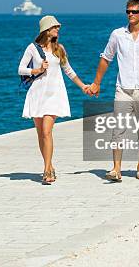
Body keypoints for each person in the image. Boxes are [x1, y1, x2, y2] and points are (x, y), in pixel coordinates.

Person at [87, 0, 139, 182]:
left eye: (134, 11)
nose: (130, 14)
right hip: (123, 89)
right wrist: (96, 83)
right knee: (118, 130)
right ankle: (116, 169)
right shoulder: (117, 34)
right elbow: (106, 58)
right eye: (128, 11)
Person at [18, 15, 90, 185]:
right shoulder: (32, 48)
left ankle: (46, 170)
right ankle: (49, 167)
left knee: (46, 132)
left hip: (54, 94)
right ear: (46, 30)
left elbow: (69, 71)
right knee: (40, 135)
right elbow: (20, 69)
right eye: (55, 27)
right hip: (37, 94)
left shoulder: (60, 49)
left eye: (58, 27)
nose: (58, 29)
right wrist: (36, 70)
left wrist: (83, 86)